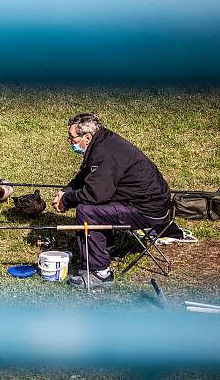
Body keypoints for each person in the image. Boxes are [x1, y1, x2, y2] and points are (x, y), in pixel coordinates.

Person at [51, 112, 171, 289]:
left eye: (72, 138)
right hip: (144, 201)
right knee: (90, 206)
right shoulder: (102, 142)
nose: (70, 142)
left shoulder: (104, 153)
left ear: (87, 137)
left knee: (86, 212)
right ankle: (104, 249)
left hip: (148, 210)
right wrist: (65, 192)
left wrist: (67, 200)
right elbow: (86, 176)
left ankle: (101, 273)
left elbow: (95, 194)